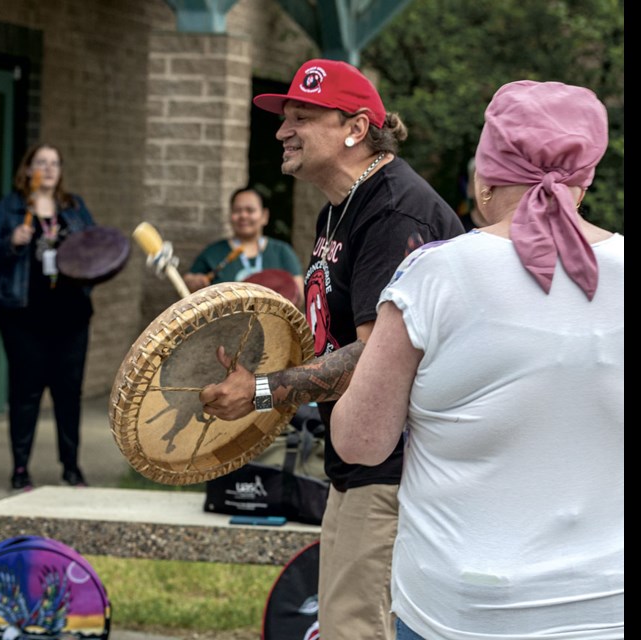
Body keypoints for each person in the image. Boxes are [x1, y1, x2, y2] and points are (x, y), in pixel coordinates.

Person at [332, 81, 624, 639]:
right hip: (610, 603)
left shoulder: (435, 275)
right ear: (582, 184)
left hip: (466, 609)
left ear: (485, 178)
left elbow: (361, 442)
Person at [199, 60, 464, 639]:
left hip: (400, 472)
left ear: (355, 128)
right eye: (284, 117)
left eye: (301, 117)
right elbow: (332, 331)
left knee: (357, 630)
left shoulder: (395, 212)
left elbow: (373, 361)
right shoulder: (337, 209)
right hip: (358, 465)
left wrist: (263, 392)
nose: (282, 130)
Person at [0, 143, 96, 491]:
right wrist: (12, 241)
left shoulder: (74, 207)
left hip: (71, 316)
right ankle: (19, 470)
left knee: (68, 393)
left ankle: (72, 468)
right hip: (23, 316)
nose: (49, 168)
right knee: (25, 394)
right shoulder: (11, 208)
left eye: (55, 162)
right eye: (41, 162)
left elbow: (96, 251)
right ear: (28, 170)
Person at [183, 186, 304, 302]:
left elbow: (299, 294)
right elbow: (186, 284)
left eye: (250, 210)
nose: (243, 216)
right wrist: (193, 283)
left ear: (264, 216)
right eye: (237, 211)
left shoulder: (282, 251)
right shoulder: (213, 252)